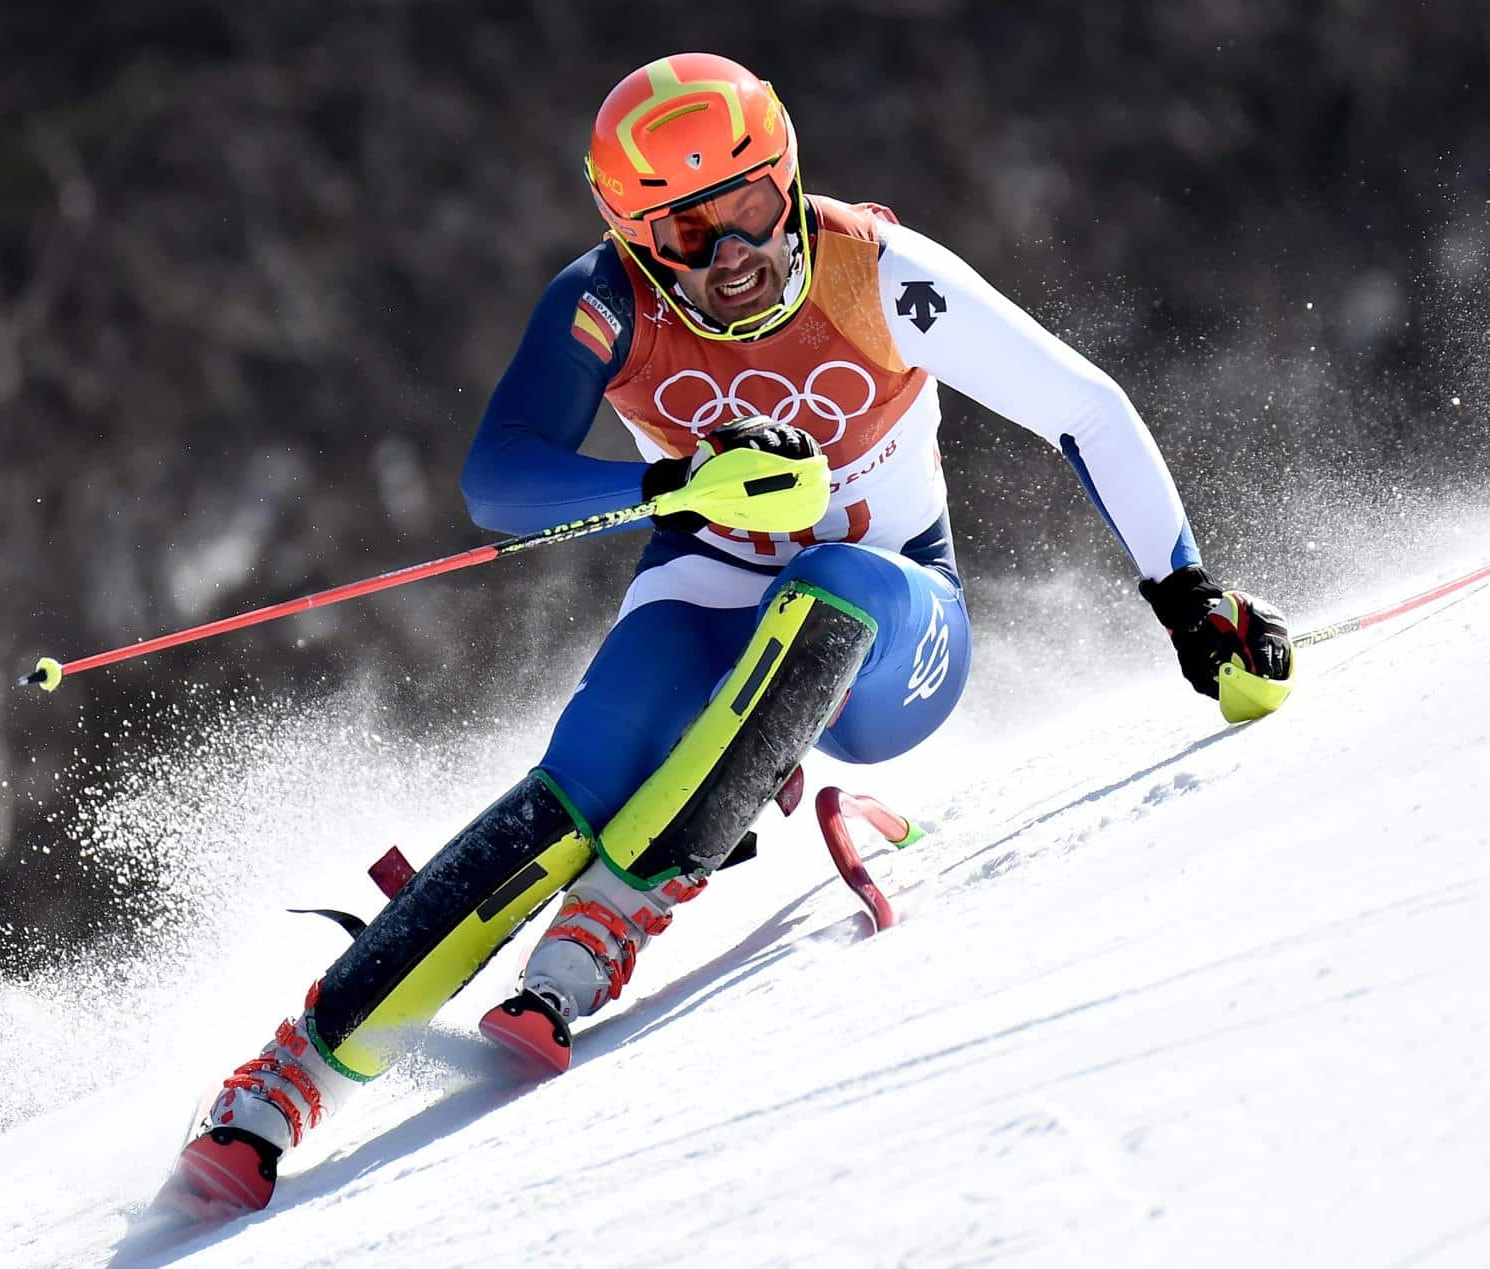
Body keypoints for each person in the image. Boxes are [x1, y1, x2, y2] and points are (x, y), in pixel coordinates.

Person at [159, 52, 1294, 1216]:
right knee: (587, 769)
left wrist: (1187, 596)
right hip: (710, 589)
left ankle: (620, 909)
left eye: (748, 207)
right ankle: (286, 1080)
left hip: (894, 630)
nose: (729, 254)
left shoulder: (875, 269)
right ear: (632, 235)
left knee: (836, 583)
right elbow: (497, 479)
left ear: (789, 179)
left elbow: (1084, 408)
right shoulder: (606, 300)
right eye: (682, 231)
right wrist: (679, 485)